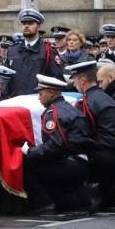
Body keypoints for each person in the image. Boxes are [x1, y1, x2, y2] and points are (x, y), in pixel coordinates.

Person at [21, 74, 95, 214]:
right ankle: (74, 202)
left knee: (28, 163)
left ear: (51, 93)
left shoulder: (53, 113)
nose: (39, 97)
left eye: (41, 93)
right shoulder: (70, 108)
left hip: (71, 163)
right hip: (82, 162)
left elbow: (55, 146)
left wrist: (30, 151)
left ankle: (45, 203)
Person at [67, 60, 115, 209]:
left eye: (75, 80)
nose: (74, 84)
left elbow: (82, 135)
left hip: (99, 156)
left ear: (83, 80)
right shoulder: (106, 98)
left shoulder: (86, 103)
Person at [5, 9, 64, 97]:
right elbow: (6, 78)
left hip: (38, 102)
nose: (26, 26)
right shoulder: (12, 50)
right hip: (15, 100)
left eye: (30, 23)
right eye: (24, 23)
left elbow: (57, 79)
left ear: (39, 26)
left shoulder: (48, 50)